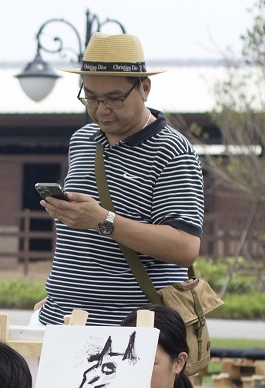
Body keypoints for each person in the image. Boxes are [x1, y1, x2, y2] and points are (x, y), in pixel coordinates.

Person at [36, 33, 204, 327]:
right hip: (60, 317)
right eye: (90, 97)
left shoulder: (172, 150)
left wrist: (103, 220)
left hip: (130, 329)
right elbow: (78, 239)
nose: (101, 109)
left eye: (114, 98)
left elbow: (185, 247)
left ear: (145, 88)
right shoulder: (82, 140)